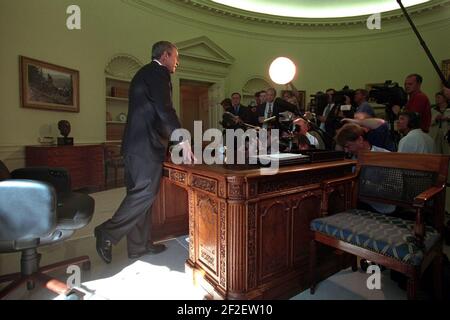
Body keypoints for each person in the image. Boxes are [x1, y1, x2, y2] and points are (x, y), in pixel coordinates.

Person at [94, 41, 194, 264]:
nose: (177, 62)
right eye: (176, 57)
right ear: (166, 55)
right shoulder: (158, 73)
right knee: (145, 194)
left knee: (140, 196)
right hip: (144, 147)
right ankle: (107, 233)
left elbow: (154, 113)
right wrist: (183, 138)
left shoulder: (144, 73)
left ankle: (138, 246)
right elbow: (164, 109)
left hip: (135, 147)